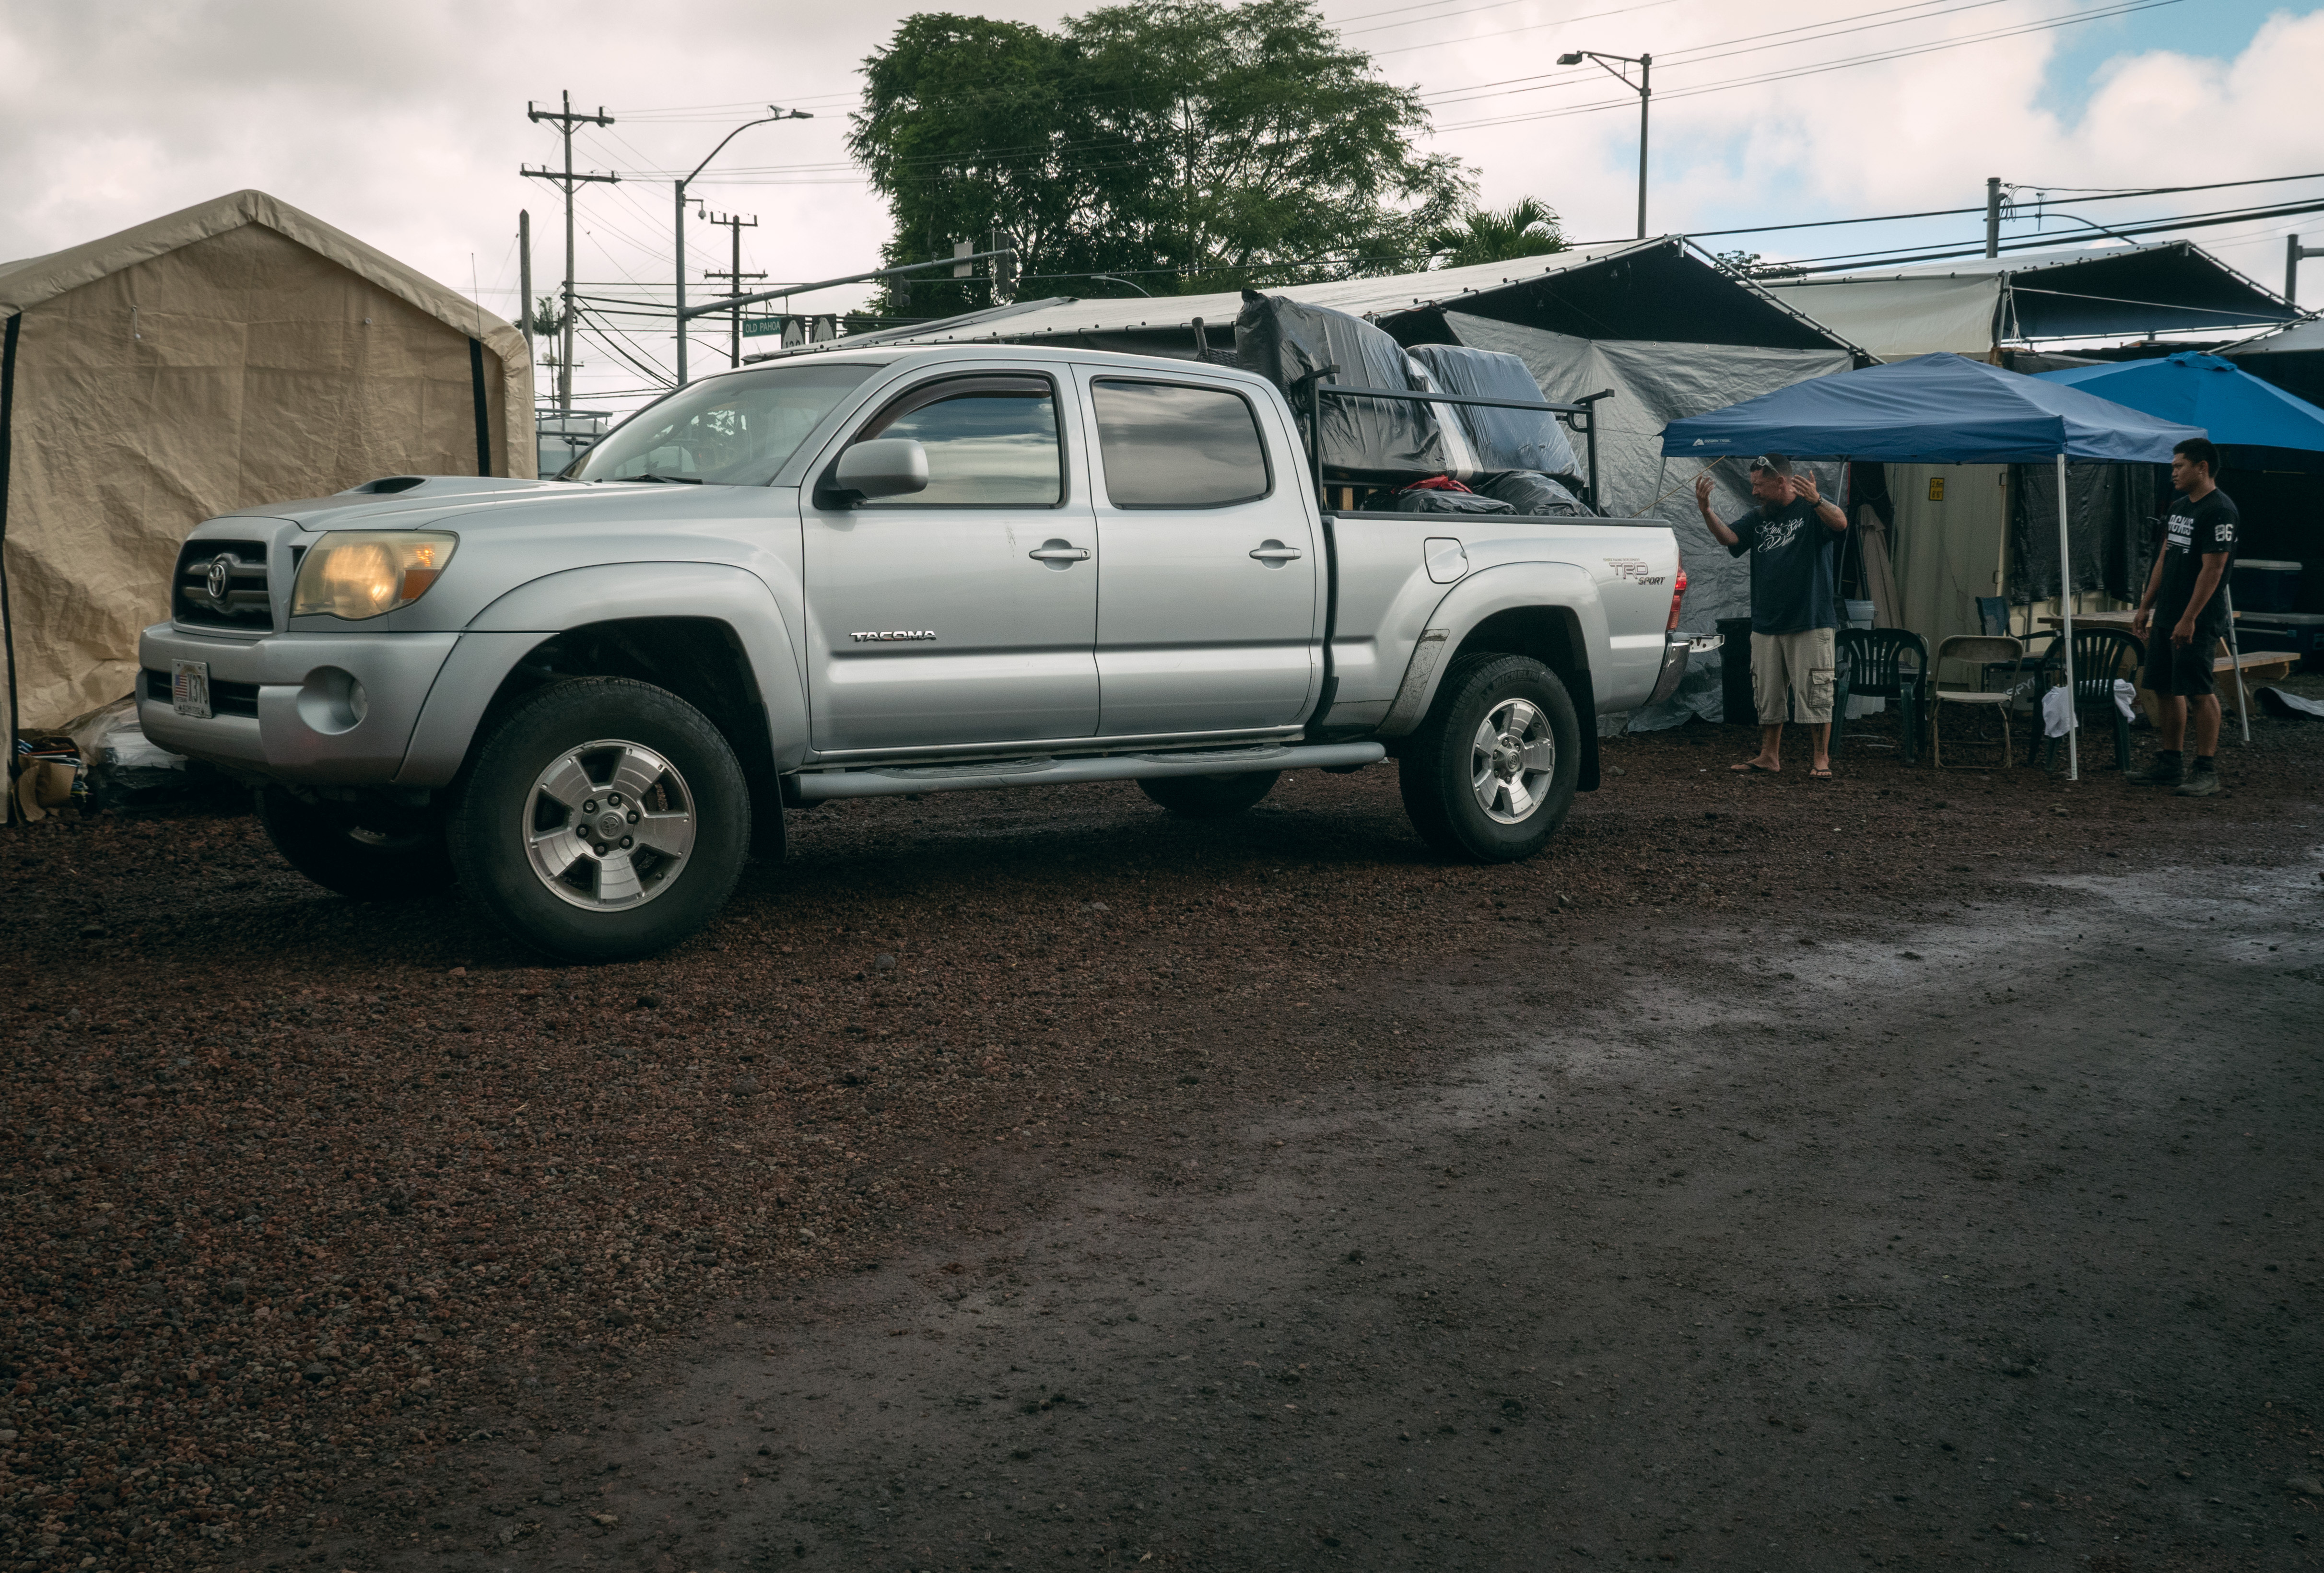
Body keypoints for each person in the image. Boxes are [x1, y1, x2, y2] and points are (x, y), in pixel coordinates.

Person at [1694, 455, 1849, 778]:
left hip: (1810, 618)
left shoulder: (1811, 510)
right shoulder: (1759, 518)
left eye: (1759, 485)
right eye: (1753, 485)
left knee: (1816, 690)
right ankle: (1769, 755)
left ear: (1781, 482)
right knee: (1767, 692)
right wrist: (1707, 511)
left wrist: (1819, 500)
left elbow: (1841, 523)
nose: (1754, 492)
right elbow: (1730, 539)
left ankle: (1821, 759)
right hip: (1767, 621)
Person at [2130, 437, 2238, 797]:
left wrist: (2190, 618)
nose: (2173, 472)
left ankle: (2206, 769)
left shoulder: (2220, 510)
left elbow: (2214, 569)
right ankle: (2169, 762)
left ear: (2202, 467)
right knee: (2163, 686)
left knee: (2197, 690)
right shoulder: (2179, 507)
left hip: (2198, 619)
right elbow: (2165, 557)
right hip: (2167, 614)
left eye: (2179, 466)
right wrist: (2146, 605)